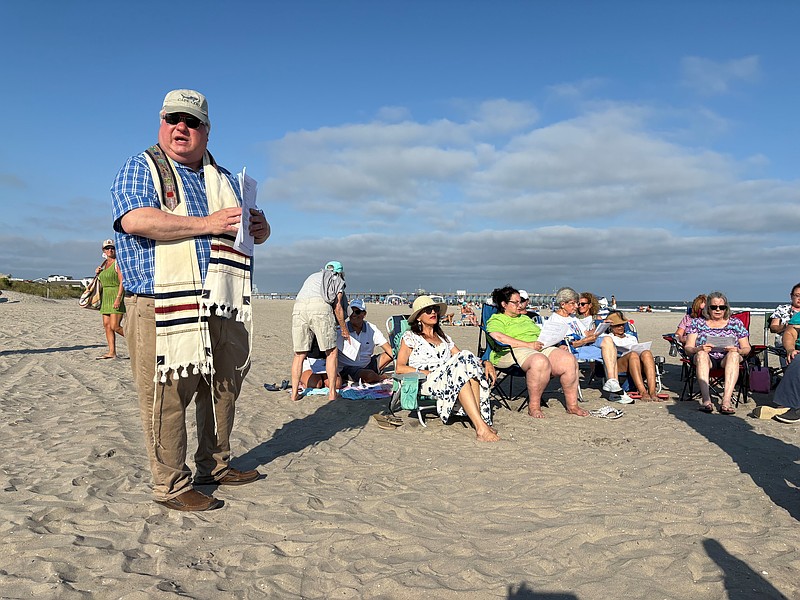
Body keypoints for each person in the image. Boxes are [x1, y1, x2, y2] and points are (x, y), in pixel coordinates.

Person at [111, 89, 271, 512]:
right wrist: (208, 223)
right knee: (167, 396)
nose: (181, 127)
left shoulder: (220, 178)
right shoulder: (142, 166)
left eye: (192, 121)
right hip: (160, 301)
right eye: (173, 118)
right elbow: (136, 220)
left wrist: (260, 226)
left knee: (222, 388)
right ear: (161, 122)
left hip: (219, 299)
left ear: (206, 129)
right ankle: (171, 484)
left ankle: (214, 465)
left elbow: (247, 235)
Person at [395, 295, 499, 442]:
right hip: (427, 381)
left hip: (447, 378)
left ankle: (480, 424)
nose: (433, 313)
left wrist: (485, 363)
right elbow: (399, 368)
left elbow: (463, 358)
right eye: (428, 310)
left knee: (468, 370)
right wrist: (426, 372)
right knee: (463, 367)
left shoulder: (443, 338)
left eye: (435, 309)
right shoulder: (410, 337)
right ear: (418, 317)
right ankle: (481, 426)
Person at [486, 286, 587, 419]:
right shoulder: (497, 319)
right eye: (515, 302)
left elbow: (542, 335)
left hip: (537, 347)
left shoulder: (525, 319)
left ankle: (572, 405)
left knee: (568, 359)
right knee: (539, 361)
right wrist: (527, 345)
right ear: (504, 304)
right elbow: (498, 337)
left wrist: (557, 343)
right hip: (510, 351)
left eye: (520, 301)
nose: (519, 305)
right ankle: (534, 406)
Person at [684, 291, 751, 415]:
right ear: (708, 308)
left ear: (727, 308)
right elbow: (688, 347)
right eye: (714, 307)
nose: (718, 310)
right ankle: (706, 400)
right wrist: (698, 349)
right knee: (701, 355)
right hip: (706, 358)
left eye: (722, 307)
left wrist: (738, 350)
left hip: (728, 358)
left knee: (734, 355)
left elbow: (747, 348)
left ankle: (726, 401)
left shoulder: (735, 323)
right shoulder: (697, 323)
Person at [291, 261, 349, 402]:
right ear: (339, 272)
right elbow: (338, 307)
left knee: (299, 354)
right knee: (331, 352)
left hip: (298, 308)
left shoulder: (314, 276)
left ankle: (294, 394)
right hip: (319, 308)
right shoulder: (337, 279)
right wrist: (344, 329)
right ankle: (332, 393)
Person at [554, 288, 625, 396]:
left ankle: (612, 382)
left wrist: (603, 325)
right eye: (574, 303)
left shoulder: (573, 318)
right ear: (563, 304)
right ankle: (615, 390)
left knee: (608, 341)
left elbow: (586, 333)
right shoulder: (557, 320)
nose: (577, 306)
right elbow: (565, 344)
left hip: (585, 344)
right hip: (575, 349)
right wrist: (586, 340)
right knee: (610, 350)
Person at [605, 312, 661, 401]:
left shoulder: (631, 337)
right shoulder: (608, 337)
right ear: (610, 327)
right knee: (633, 355)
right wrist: (604, 324)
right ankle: (643, 391)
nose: (621, 327)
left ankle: (652, 391)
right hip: (619, 363)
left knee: (647, 353)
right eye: (617, 325)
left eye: (622, 325)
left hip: (636, 363)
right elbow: (596, 337)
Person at [337, 298, 393, 384]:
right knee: (370, 376)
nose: (354, 314)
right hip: (348, 367)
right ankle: (381, 377)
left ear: (364, 314)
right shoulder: (342, 330)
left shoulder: (372, 328)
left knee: (393, 353)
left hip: (368, 363)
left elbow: (388, 348)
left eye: (357, 312)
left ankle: (373, 374)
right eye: (351, 312)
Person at [95, 239, 125, 359]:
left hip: (116, 294)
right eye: (107, 248)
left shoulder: (118, 263)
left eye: (112, 248)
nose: (110, 250)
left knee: (115, 326)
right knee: (107, 325)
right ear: (103, 250)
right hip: (105, 296)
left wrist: (118, 298)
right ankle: (112, 352)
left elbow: (122, 281)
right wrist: (98, 273)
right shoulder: (103, 264)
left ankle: (137, 343)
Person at [768, 283, 800, 348]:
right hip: (784, 343)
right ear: (791, 296)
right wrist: (784, 327)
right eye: (797, 295)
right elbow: (773, 327)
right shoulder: (782, 309)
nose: (799, 298)